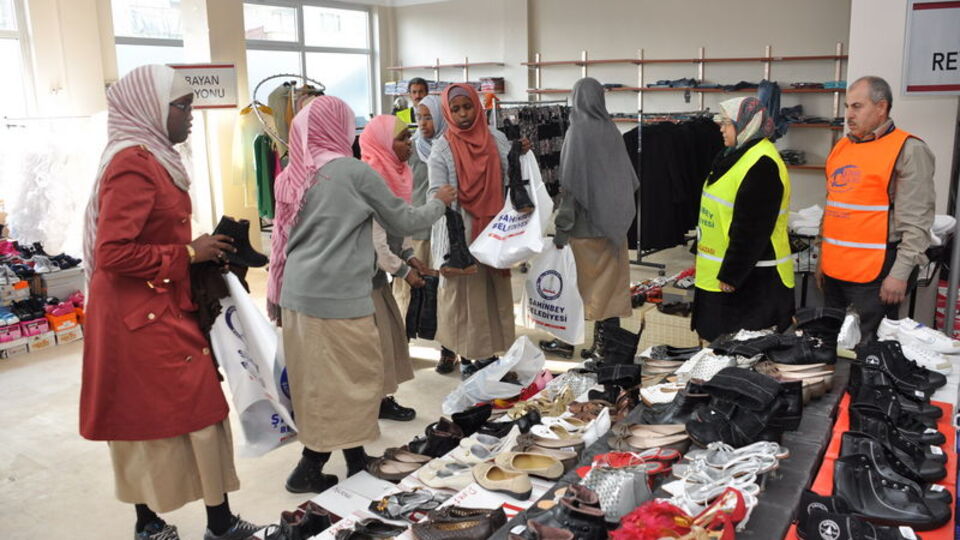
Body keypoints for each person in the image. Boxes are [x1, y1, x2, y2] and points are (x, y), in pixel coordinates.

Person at [80, 65, 262, 540]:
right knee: (143, 418)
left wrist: (198, 252)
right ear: (151, 109)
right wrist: (186, 253)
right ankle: (151, 521)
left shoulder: (156, 158)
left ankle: (217, 521)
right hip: (135, 314)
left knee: (198, 410)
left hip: (158, 300)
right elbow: (112, 252)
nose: (191, 116)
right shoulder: (132, 163)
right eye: (183, 107)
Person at [267, 96, 454, 494]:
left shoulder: (294, 172)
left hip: (299, 295)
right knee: (358, 380)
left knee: (323, 384)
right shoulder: (353, 172)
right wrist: (439, 203)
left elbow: (279, 241)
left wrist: (274, 292)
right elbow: (403, 218)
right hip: (338, 297)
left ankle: (353, 461)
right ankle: (308, 467)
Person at [817, 76, 935, 344]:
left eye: (857, 107)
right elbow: (832, 207)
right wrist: (822, 256)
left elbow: (918, 221)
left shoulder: (908, 149)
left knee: (868, 351)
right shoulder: (841, 147)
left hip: (877, 274)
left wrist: (900, 273)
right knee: (829, 344)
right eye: (847, 106)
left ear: (881, 107)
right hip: (835, 269)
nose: (848, 114)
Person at [427, 83, 527, 377]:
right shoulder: (442, 148)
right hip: (463, 231)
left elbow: (512, 178)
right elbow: (437, 196)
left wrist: (520, 154)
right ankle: (472, 357)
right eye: (455, 109)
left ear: (477, 106)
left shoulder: (496, 139)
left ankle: (490, 354)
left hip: (495, 229)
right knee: (466, 297)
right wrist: (444, 250)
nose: (463, 115)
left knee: (493, 293)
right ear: (448, 112)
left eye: (467, 106)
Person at [541, 77, 639, 359]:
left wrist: (561, 231)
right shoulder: (611, 130)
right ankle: (605, 349)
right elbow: (628, 181)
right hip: (613, 228)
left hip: (583, 230)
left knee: (571, 288)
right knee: (609, 290)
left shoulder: (577, 132)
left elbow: (571, 187)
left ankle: (565, 343)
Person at [692, 96, 795, 341]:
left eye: (727, 122)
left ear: (746, 124)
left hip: (751, 282)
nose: (721, 128)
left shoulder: (762, 163)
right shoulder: (733, 155)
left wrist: (731, 274)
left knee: (742, 352)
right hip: (723, 273)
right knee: (720, 348)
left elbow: (752, 229)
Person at [359, 114, 429, 422]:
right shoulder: (372, 176)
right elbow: (374, 241)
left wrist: (409, 253)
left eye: (408, 137)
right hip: (364, 276)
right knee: (375, 342)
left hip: (378, 275)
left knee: (386, 337)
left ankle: (381, 399)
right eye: (402, 139)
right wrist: (403, 270)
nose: (409, 144)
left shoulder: (398, 172)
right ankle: (372, 403)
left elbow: (402, 220)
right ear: (385, 144)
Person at [396, 94, 461, 373]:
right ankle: (402, 343)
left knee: (445, 292)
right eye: (419, 117)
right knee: (408, 289)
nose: (422, 123)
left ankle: (448, 349)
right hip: (414, 229)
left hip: (444, 232)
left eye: (428, 117)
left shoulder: (452, 148)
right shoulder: (410, 150)